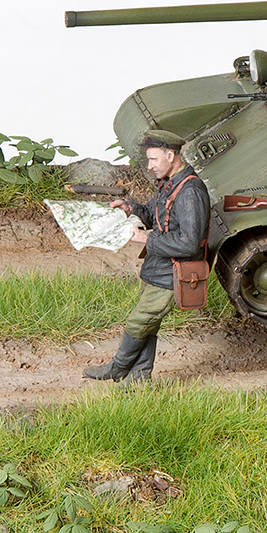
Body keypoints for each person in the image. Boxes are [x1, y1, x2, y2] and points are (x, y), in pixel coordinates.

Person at [83, 129, 210, 382]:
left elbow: (189, 243)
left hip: (173, 272)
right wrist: (130, 208)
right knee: (148, 324)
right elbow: (153, 215)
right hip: (156, 267)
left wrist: (146, 239)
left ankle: (118, 368)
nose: (150, 165)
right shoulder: (169, 184)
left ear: (170, 156)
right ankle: (139, 378)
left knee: (138, 322)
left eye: (153, 159)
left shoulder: (190, 191)